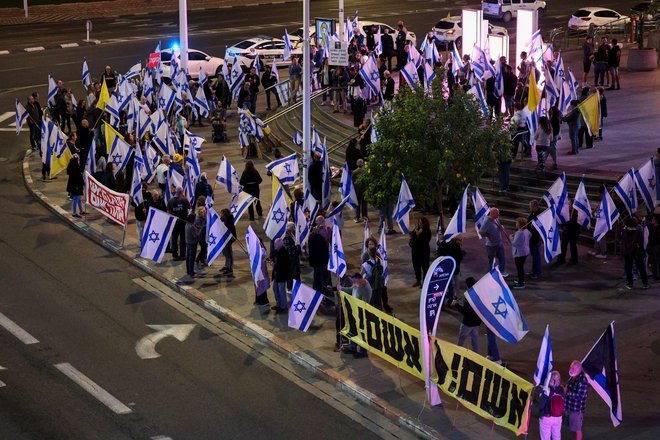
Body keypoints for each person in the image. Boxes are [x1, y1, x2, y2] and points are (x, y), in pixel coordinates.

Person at [338, 273, 372, 356]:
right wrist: (341, 289)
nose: (353, 283)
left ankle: (363, 352)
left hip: (361, 315)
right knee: (353, 330)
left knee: (361, 333)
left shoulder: (366, 289)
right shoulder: (357, 284)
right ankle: (352, 347)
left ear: (359, 280)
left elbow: (364, 304)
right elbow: (350, 290)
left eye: (354, 281)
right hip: (354, 312)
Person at [452, 277, 481, 353]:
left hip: (468, 323)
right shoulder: (479, 293)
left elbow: (465, 312)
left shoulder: (468, 296)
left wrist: (456, 305)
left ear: (467, 285)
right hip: (477, 322)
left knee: (461, 339)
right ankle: (476, 357)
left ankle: (457, 354)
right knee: (475, 340)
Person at [361, 237, 390, 312]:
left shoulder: (375, 259)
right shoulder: (367, 256)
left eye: (372, 244)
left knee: (373, 302)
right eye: (369, 244)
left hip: (375, 284)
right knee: (377, 303)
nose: (370, 246)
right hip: (375, 284)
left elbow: (362, 273)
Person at [536, 371, 566, 440]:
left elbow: (541, 405)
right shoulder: (561, 390)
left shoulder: (546, 390)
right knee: (557, 437)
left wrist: (544, 393)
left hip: (547, 417)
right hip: (558, 417)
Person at [622, 217, 650, 289]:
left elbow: (623, 242)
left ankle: (630, 284)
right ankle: (645, 284)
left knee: (628, 268)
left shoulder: (624, 232)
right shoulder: (638, 233)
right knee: (641, 268)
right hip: (636, 252)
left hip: (627, 252)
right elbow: (641, 244)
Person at [479, 208, 508, 277]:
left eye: (498, 213)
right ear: (491, 213)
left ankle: (502, 272)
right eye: (496, 213)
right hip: (491, 245)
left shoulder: (495, 218)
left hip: (499, 243)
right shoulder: (487, 221)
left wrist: (501, 227)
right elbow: (481, 232)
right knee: (491, 261)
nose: (498, 215)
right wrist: (489, 236)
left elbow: (498, 226)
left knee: (502, 259)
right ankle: (490, 275)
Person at [565, 361, 589, 440]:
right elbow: (567, 387)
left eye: (573, 368)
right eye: (570, 367)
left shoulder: (582, 381)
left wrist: (566, 392)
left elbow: (579, 396)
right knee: (572, 428)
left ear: (579, 370)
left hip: (576, 410)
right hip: (569, 407)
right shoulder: (573, 377)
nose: (570, 369)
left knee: (577, 430)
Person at [167, 186, 191, 261]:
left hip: (174, 223)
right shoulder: (184, 200)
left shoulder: (170, 201)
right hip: (183, 223)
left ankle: (175, 255)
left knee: (174, 239)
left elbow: (168, 211)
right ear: (182, 192)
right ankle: (182, 255)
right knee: (182, 239)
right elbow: (189, 207)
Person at [308, 222, 330, 294]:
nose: (325, 232)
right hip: (319, 263)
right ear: (320, 231)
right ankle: (318, 293)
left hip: (322, 263)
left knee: (320, 279)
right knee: (319, 280)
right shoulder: (316, 239)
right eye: (324, 231)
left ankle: (321, 291)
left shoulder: (320, 238)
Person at [409, 217, 431, 287]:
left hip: (424, 252)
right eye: (419, 222)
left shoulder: (427, 231)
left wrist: (419, 235)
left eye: (421, 223)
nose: (420, 224)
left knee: (425, 267)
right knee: (416, 266)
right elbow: (411, 240)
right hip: (415, 251)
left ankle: (425, 282)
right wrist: (414, 235)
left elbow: (425, 241)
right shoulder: (416, 230)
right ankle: (418, 280)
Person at [510, 217, 531, 289]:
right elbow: (530, 236)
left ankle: (521, 284)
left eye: (517, 223)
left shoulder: (519, 233)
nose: (516, 224)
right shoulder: (526, 231)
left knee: (519, 268)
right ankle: (521, 280)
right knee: (521, 267)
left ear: (520, 224)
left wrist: (511, 238)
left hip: (520, 253)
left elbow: (514, 243)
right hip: (525, 251)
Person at [271, 238, 291, 313]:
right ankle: (278, 304)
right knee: (275, 289)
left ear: (280, 244)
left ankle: (283, 307)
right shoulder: (277, 251)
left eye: (276, 244)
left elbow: (283, 265)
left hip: (281, 276)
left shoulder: (284, 253)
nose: (274, 245)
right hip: (277, 275)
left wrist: (274, 265)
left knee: (281, 291)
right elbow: (273, 256)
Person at [558, 200, 580, 265]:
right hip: (566, 232)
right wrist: (563, 226)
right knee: (563, 246)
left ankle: (574, 260)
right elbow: (562, 220)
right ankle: (561, 259)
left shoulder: (576, 213)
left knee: (573, 247)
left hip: (573, 233)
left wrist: (568, 227)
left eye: (569, 204)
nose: (568, 205)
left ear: (573, 205)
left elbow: (575, 224)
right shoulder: (566, 212)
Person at [219, 208, 237, 278]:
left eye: (221, 213)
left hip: (228, 240)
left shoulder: (228, 221)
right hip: (225, 239)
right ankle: (227, 266)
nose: (220, 214)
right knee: (226, 254)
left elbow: (226, 230)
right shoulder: (225, 220)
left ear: (224, 214)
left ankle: (230, 269)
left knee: (229, 254)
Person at [527, 200, 542, 279]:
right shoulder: (532, 213)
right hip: (531, 238)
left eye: (531, 206)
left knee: (536, 256)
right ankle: (534, 271)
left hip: (535, 239)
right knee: (534, 255)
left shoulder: (540, 215)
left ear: (536, 207)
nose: (530, 208)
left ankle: (537, 273)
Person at [283, 222, 301, 289]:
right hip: (291, 258)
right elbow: (288, 249)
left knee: (296, 272)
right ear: (290, 228)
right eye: (293, 227)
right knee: (291, 273)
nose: (294, 229)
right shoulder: (286, 236)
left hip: (294, 257)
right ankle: (290, 287)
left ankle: (297, 285)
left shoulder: (291, 234)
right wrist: (297, 247)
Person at [66, 154, 84, 218]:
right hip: (76, 187)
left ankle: (81, 211)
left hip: (77, 186)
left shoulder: (73, 167)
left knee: (79, 199)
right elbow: (76, 179)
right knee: (75, 199)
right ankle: (74, 213)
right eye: (78, 159)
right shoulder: (74, 169)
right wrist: (78, 186)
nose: (79, 161)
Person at [185, 213, 202, 278]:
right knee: (192, 258)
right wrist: (199, 230)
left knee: (188, 257)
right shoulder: (191, 226)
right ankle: (192, 273)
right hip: (192, 243)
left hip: (188, 242)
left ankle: (189, 270)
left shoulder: (186, 224)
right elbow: (196, 235)